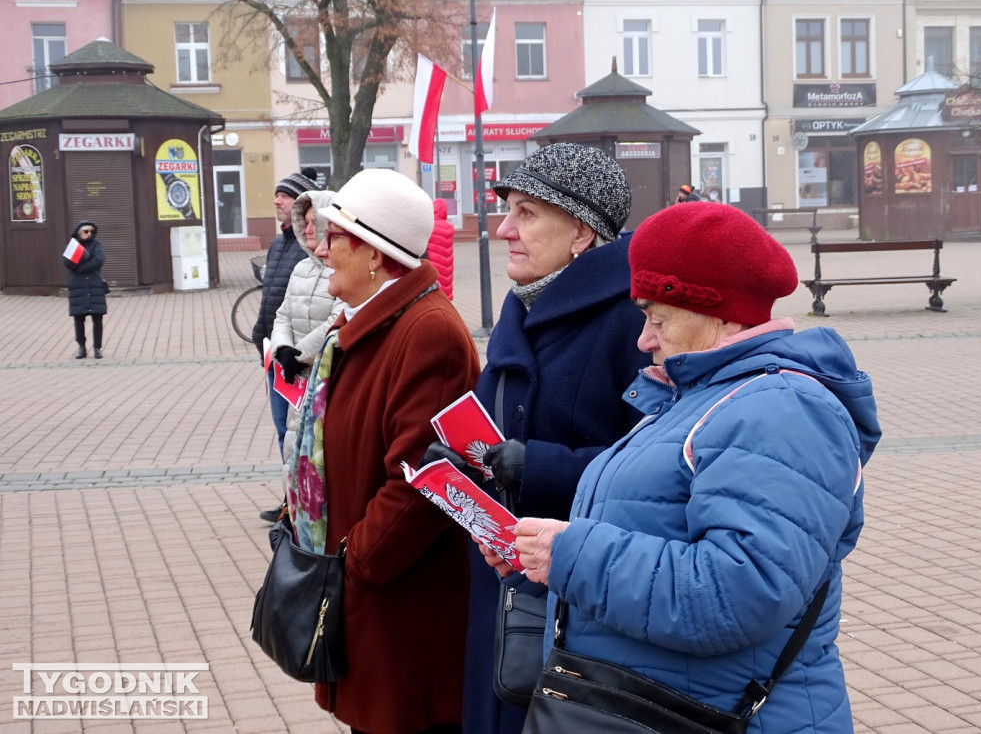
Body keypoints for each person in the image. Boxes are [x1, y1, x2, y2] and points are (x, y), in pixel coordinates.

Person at [490, 202, 881, 733]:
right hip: (655, 705)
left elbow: (738, 591)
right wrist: (540, 557)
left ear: (718, 312)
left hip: (713, 716)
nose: (643, 339)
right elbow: (651, 530)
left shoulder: (781, 410)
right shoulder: (696, 397)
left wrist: (570, 554)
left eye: (657, 317)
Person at [423, 142, 650, 734]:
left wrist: (537, 466)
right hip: (500, 576)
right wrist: (464, 464)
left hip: (576, 594)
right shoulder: (521, 304)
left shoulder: (633, 320)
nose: (502, 230)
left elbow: (653, 468)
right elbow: (501, 425)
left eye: (526, 213)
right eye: (507, 211)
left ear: (580, 231)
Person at [291, 168, 480, 734]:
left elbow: (422, 479)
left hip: (400, 610)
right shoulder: (365, 324)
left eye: (335, 238)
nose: (322, 251)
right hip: (367, 599)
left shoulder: (427, 332)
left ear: (374, 253)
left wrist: (355, 562)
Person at [258, 188, 342, 523]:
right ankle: (293, 506)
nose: (308, 229)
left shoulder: (339, 270)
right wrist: (282, 350)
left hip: (322, 372)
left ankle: (315, 514)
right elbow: (281, 315)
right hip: (293, 374)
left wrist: (301, 354)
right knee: (292, 439)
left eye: (314, 222)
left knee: (320, 449)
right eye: (304, 222)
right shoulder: (300, 269)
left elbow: (338, 317)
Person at [252, 167, 320, 461]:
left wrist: (296, 350)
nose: (277, 202)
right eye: (276, 196)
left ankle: (297, 500)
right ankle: (288, 501)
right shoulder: (278, 244)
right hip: (274, 352)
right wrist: (261, 333)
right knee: (283, 430)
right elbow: (275, 300)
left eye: (284, 196)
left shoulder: (310, 248)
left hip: (297, 356)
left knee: (299, 430)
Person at [63, 220, 107, 359]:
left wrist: (81, 267)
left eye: (91, 231)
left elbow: (99, 260)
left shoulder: (97, 245)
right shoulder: (72, 246)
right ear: (78, 232)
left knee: (97, 319)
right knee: (78, 319)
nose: (89, 234)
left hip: (94, 285)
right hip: (78, 286)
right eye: (85, 231)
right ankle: (81, 347)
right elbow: (68, 262)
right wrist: (86, 261)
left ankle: (97, 348)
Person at [427, 198, 455, 300]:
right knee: (445, 285)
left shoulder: (429, 226)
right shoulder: (449, 227)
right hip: (446, 265)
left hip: (431, 266)